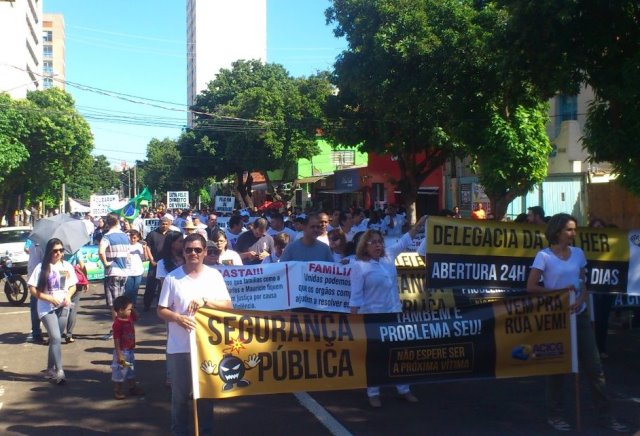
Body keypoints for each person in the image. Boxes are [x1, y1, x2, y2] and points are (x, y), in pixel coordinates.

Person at [526, 213, 629, 433]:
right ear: (557, 232)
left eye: (574, 229)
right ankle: (555, 415)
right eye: (569, 230)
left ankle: (605, 416)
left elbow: (584, 281)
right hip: (555, 317)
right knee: (557, 367)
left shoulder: (579, 253)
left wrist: (581, 298)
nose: (574, 234)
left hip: (579, 315)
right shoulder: (543, 256)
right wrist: (559, 293)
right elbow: (532, 286)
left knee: (594, 368)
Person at [157, 233, 233, 436]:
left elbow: (228, 306)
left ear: (205, 252)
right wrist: (177, 318)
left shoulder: (214, 276)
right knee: (180, 397)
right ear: (182, 251)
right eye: (189, 249)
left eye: (198, 250)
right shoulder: (173, 278)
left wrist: (206, 301)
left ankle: (205, 432)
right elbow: (161, 309)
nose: (193, 253)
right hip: (179, 347)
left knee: (205, 396)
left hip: (207, 348)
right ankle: (179, 432)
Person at [350, 215, 428, 408]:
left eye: (379, 242)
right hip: (373, 319)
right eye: (373, 242)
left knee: (398, 354)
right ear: (364, 246)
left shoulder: (389, 256)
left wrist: (418, 226)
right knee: (376, 357)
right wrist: (353, 323)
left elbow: (404, 241)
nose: (377, 245)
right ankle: (373, 393)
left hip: (394, 315)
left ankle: (404, 390)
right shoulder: (359, 266)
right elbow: (355, 297)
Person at [27, 238, 78, 384]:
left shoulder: (67, 266)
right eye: (55, 251)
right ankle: (59, 371)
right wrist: (48, 298)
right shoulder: (41, 267)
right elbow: (32, 289)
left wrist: (68, 295)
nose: (58, 253)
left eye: (61, 250)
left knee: (56, 339)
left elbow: (73, 285)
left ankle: (50, 368)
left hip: (63, 306)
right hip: (46, 308)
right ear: (49, 251)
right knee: (55, 338)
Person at [99, 213, 131, 339]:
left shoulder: (107, 236)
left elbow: (101, 251)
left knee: (114, 304)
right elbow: (128, 254)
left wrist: (106, 263)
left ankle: (118, 330)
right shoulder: (124, 236)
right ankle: (122, 328)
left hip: (112, 272)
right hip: (124, 272)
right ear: (118, 222)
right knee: (121, 302)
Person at [111, 295, 144, 400]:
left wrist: (132, 309)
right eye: (129, 309)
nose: (131, 311)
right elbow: (116, 339)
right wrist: (119, 354)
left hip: (130, 350)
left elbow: (137, 317)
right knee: (120, 370)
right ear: (121, 310)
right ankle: (117, 390)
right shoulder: (117, 324)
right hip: (123, 352)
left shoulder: (129, 317)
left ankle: (132, 387)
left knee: (130, 369)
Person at [143, 217, 171, 311]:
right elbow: (148, 247)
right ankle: (147, 304)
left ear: (169, 224)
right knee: (151, 284)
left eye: (167, 224)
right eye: (163, 224)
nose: (164, 226)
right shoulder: (152, 234)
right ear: (159, 224)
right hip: (155, 263)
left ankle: (161, 305)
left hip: (167, 263)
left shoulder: (171, 234)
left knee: (163, 285)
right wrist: (151, 259)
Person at [63, 250, 88, 343]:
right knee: (72, 307)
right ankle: (69, 334)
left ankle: (55, 333)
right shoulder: (76, 249)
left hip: (62, 276)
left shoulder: (56, 249)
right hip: (75, 278)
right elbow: (82, 265)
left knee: (58, 307)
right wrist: (86, 279)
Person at [124, 230, 148, 309]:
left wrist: (144, 249)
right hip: (128, 271)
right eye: (131, 237)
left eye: (134, 238)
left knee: (135, 290)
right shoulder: (126, 245)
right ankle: (128, 307)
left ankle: (133, 307)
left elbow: (145, 258)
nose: (132, 239)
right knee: (128, 291)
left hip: (138, 271)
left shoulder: (140, 246)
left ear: (138, 238)